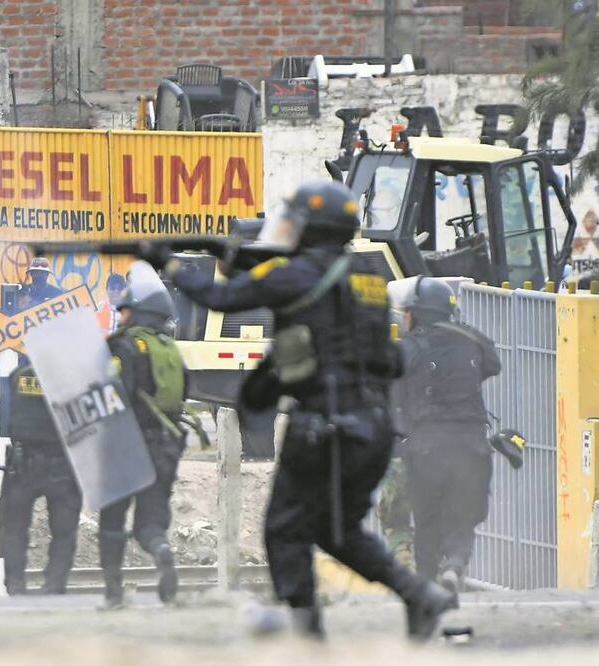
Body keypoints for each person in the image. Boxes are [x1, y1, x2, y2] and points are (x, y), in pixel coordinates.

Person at [157, 180, 456, 641]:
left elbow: (219, 297)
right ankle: (420, 595)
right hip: (371, 428)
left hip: (324, 427)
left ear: (312, 230)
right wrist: (235, 255)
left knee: (284, 530)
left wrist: (167, 262)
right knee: (338, 533)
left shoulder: (301, 274)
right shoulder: (368, 280)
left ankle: (308, 638)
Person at [395, 277, 501, 595]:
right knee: (463, 514)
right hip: (470, 443)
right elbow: (492, 364)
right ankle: (454, 565)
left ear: (419, 313)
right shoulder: (473, 339)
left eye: (408, 312)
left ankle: (427, 583)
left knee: (426, 518)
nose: (405, 318)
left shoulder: (409, 347)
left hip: (426, 445)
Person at [96, 262, 187, 608]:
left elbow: (112, 396)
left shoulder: (124, 347)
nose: (120, 317)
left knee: (113, 520)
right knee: (149, 523)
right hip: (165, 448)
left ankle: (114, 594)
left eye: (125, 311)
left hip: (127, 448)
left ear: (139, 313)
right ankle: (162, 551)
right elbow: (181, 400)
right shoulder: (171, 350)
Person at [0, 360, 83, 595]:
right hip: (62, 463)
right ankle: (54, 585)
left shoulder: (18, 375)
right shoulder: (73, 378)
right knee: (64, 530)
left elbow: (6, 421)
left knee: (14, 527)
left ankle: (15, 584)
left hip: (23, 462)